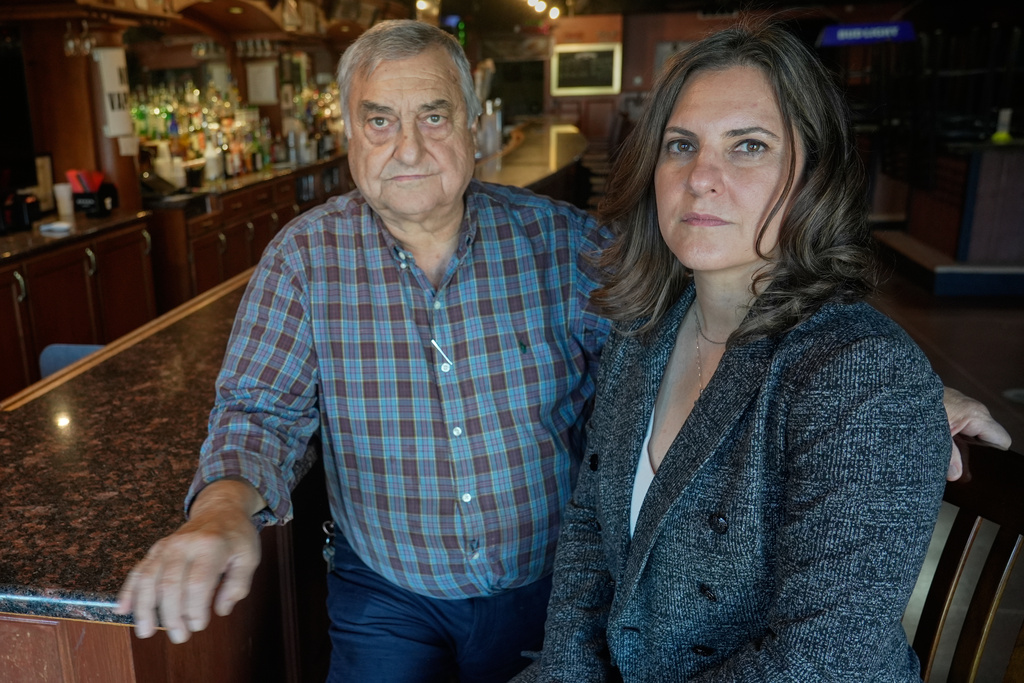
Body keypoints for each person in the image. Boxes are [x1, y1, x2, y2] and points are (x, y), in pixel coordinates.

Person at [114, 18, 1010, 683]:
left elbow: (790, 336)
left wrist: (903, 394)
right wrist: (222, 507)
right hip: (388, 588)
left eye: (434, 115)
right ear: (347, 134)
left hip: (540, 585)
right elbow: (257, 412)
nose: (410, 147)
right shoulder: (303, 259)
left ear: (475, 124)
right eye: (379, 121)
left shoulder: (561, 247)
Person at [513, 21, 1007, 682]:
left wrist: (907, 402)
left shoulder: (860, 376)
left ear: (814, 175)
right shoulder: (646, 333)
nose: (700, 177)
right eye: (680, 145)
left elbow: (822, 661)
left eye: (749, 146)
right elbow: (587, 538)